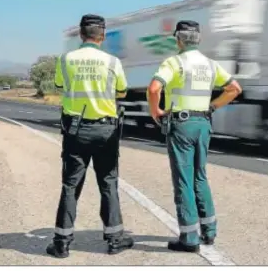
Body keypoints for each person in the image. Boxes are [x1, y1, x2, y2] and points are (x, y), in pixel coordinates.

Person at [146, 20, 242, 253]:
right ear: (198, 39)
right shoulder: (210, 65)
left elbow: (153, 89)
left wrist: (156, 112)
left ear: (178, 39)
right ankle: (209, 232)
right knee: (200, 176)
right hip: (203, 124)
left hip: (181, 124)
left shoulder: (174, 63)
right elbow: (234, 89)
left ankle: (189, 238)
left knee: (184, 180)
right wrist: (212, 107)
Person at [46, 14, 134, 258]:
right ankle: (115, 239)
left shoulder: (66, 60)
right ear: (102, 36)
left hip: (75, 131)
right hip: (106, 131)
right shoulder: (112, 61)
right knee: (108, 182)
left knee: (71, 185)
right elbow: (122, 91)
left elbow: (61, 86)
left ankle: (61, 243)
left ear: (81, 35)